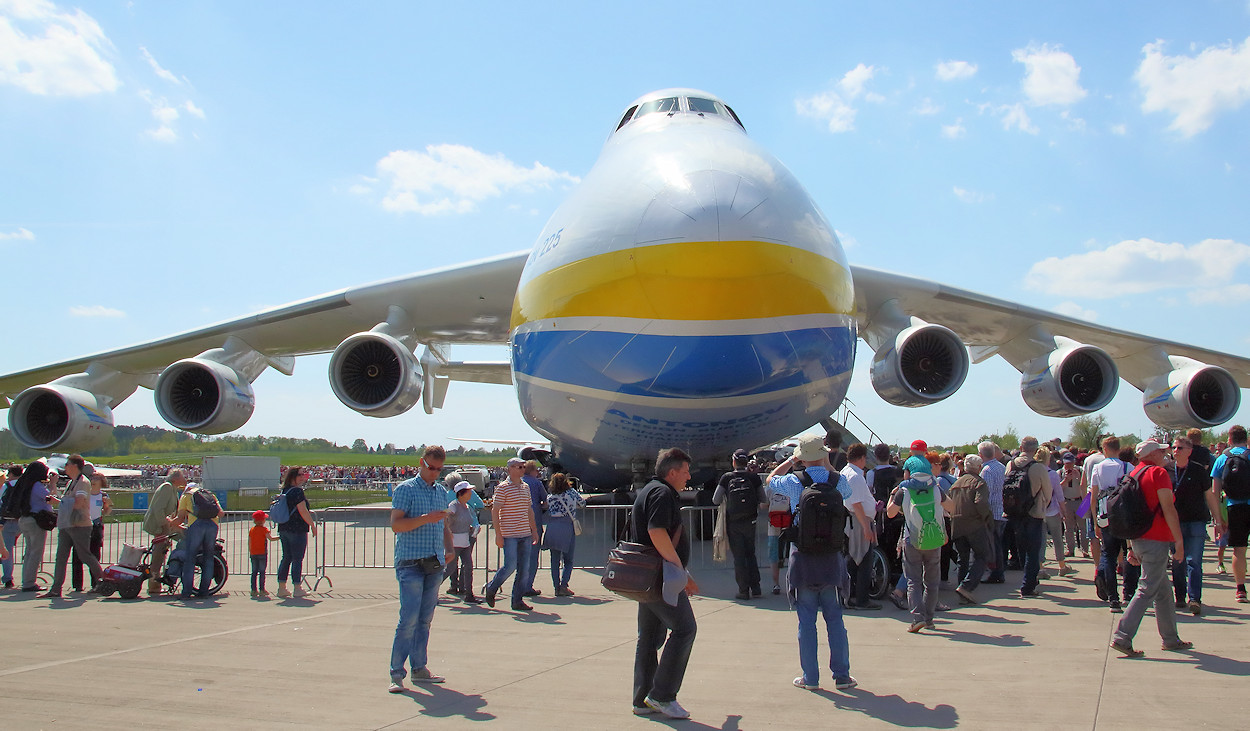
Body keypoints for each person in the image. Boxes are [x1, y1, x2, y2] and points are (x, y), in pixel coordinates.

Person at [632, 448, 699, 720]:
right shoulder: (662, 494)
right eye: (685, 471)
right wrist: (679, 570)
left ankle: (642, 699)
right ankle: (662, 695)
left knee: (648, 638)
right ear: (671, 472)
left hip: (646, 578)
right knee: (685, 629)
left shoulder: (649, 490)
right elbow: (656, 531)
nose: (688, 476)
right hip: (660, 578)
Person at [1109, 440, 1191, 657]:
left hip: (1139, 538)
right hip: (1156, 539)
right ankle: (1122, 636)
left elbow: (1127, 512)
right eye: (1161, 451)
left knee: (1163, 591)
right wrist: (1179, 542)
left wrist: (1131, 546)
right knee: (1147, 589)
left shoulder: (1134, 474)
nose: (1166, 453)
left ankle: (1171, 639)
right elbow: (1169, 508)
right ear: (1152, 454)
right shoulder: (1158, 473)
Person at [388, 446, 453, 692]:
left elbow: (443, 523)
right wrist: (425, 518)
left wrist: (449, 548)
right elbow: (396, 525)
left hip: (434, 562)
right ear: (421, 463)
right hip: (411, 562)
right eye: (430, 468)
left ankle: (419, 668)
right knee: (409, 620)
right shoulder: (406, 489)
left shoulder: (440, 491)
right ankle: (396, 673)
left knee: (425, 620)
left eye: (438, 469)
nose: (434, 473)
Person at [886, 455, 955, 632]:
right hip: (934, 540)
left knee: (913, 581)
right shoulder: (936, 488)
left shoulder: (904, 490)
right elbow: (952, 507)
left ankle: (918, 618)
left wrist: (893, 495)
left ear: (909, 472)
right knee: (931, 583)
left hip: (912, 540)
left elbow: (890, 513)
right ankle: (930, 619)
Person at [1170, 435, 1220, 615]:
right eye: (1174, 447)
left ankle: (1195, 598)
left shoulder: (1198, 471)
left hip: (1197, 521)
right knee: (1177, 561)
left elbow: (1210, 497)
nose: (1175, 451)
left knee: (1195, 561)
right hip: (1175, 523)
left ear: (1189, 451)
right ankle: (1180, 596)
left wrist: (1218, 521)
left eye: (1180, 448)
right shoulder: (1167, 471)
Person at [42, 455, 103, 598]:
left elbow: (80, 502)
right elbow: (70, 501)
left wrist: (61, 503)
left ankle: (102, 581)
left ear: (75, 465)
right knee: (61, 557)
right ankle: (56, 589)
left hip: (79, 524)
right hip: (66, 524)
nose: (65, 467)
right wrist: (58, 500)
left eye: (68, 464)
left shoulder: (83, 482)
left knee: (85, 555)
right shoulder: (71, 482)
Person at [483, 457, 539, 611]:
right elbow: (496, 511)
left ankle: (517, 600)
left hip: (525, 533)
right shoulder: (503, 488)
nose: (522, 469)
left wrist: (534, 530)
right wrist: (498, 534)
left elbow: (529, 510)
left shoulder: (525, 487)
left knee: (524, 568)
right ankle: (492, 587)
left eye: (523, 467)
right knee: (510, 565)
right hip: (509, 534)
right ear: (510, 469)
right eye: (519, 467)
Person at [1091, 435, 1138, 612]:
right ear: (1119, 449)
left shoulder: (1098, 468)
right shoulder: (1129, 467)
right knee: (1129, 554)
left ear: (1104, 449)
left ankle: (1113, 598)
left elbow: (1093, 496)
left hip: (1106, 515)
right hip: (1125, 516)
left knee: (1109, 555)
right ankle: (1129, 593)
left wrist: (1095, 521)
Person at [712, 448, 766, 599]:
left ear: (734, 462)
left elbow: (715, 499)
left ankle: (743, 590)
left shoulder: (727, 477)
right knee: (751, 554)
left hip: (733, 522)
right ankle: (756, 588)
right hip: (751, 521)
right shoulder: (754, 478)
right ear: (747, 462)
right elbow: (763, 499)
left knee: (739, 557)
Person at [1004, 437, 1050, 598]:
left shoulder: (1011, 464)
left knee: (1022, 548)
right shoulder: (1038, 467)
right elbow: (1048, 492)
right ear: (1036, 449)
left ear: (1021, 447)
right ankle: (1028, 585)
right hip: (1034, 512)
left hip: (1014, 512)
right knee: (1033, 550)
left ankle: (1028, 578)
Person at [1211, 424, 1249, 603]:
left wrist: (1218, 518)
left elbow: (1215, 492)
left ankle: (1240, 589)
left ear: (1230, 439)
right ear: (1246, 438)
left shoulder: (1222, 458)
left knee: (1238, 550)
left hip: (1234, 507)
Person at [840, 443, 880, 610]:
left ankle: (851, 594)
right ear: (862, 458)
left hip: (854, 519)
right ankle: (861, 599)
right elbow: (856, 504)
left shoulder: (845, 472)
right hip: (858, 520)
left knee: (855, 558)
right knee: (862, 559)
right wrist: (866, 527)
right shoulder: (855, 476)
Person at [948, 454, 992, 604]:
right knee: (982, 555)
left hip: (956, 525)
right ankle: (966, 587)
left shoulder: (955, 484)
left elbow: (947, 503)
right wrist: (986, 517)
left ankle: (962, 592)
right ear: (979, 468)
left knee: (963, 559)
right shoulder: (979, 483)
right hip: (974, 524)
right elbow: (981, 503)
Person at [173, 481, 221, 599]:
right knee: (208, 558)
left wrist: (170, 523)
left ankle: (186, 593)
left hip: (196, 525)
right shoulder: (210, 495)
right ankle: (204, 592)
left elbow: (180, 518)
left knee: (190, 559)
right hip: (212, 525)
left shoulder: (186, 496)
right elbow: (221, 513)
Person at [275, 466, 318, 598]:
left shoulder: (285, 491)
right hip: (297, 529)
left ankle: (281, 587)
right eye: (300, 474)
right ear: (293, 476)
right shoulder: (297, 492)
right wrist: (312, 524)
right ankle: (297, 587)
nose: (302, 476)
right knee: (297, 558)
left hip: (284, 527)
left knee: (286, 557)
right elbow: (302, 510)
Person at [143, 469, 186, 596]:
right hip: (160, 527)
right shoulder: (167, 488)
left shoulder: (173, 489)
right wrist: (165, 524)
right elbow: (158, 509)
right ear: (175, 479)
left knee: (161, 553)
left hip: (164, 526)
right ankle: (154, 584)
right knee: (158, 554)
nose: (185, 479)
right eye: (183, 477)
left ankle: (157, 582)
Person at [543, 472, 585, 597]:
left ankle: (556, 586)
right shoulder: (571, 493)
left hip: (552, 527)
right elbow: (582, 503)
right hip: (567, 526)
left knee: (554, 560)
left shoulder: (550, 497)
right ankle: (564, 585)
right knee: (568, 560)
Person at [14, 461, 54, 592]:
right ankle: (29, 582)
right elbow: (50, 497)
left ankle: (26, 580)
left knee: (29, 551)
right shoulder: (36, 485)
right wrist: (53, 483)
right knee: (36, 552)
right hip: (35, 521)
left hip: (24, 519)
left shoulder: (25, 483)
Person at [72, 469, 112, 592]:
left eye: (96, 478)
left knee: (94, 555)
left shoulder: (103, 495)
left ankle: (95, 583)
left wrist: (108, 505)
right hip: (83, 525)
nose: (93, 480)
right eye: (92, 478)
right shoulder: (85, 492)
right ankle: (77, 584)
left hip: (96, 525)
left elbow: (107, 512)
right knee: (78, 555)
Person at [1036, 447, 1073, 578]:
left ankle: (1040, 568)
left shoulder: (1033, 472)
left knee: (1040, 540)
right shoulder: (1052, 474)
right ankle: (1062, 565)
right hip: (1053, 510)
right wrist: (1064, 511)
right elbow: (1059, 495)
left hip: (1039, 511)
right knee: (1057, 539)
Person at [443, 481, 482, 604]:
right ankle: (430, 589)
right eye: (469, 491)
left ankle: (469, 595)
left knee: (468, 567)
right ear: (461, 493)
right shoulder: (454, 505)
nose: (471, 493)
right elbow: (448, 516)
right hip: (455, 543)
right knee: (449, 569)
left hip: (465, 542)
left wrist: (473, 528)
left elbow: (467, 521)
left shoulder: (467, 507)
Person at [978, 441, 1008, 584]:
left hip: (992, 512)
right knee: (997, 543)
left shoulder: (986, 470)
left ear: (981, 455)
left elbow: (986, 495)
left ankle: (995, 572)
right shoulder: (1001, 467)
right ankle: (998, 571)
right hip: (1000, 509)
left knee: (992, 544)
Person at [518, 460, 548, 598]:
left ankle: (519, 585)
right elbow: (545, 501)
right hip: (534, 522)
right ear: (533, 471)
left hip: (518, 523)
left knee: (520, 556)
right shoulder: (537, 483)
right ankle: (528, 585)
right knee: (533, 556)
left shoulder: (517, 482)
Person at [1059, 452, 1088, 558]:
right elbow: (1057, 489)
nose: (1069, 466)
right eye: (1067, 464)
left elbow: (1086, 486)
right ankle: (1070, 550)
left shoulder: (1080, 470)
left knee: (1083, 527)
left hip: (1081, 501)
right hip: (1067, 502)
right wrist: (1066, 480)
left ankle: (1085, 550)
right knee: (1069, 528)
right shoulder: (1060, 472)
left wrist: (1079, 477)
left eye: (1071, 463)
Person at [1, 464, 23, 588]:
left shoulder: (6, 486)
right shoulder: (25, 485)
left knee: (7, 551)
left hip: (8, 521)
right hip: (23, 520)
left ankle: (8, 578)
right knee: (30, 550)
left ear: (10, 474)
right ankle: (29, 577)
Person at [249, 509, 279, 597]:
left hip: (253, 553)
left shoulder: (252, 530)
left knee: (254, 572)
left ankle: (253, 590)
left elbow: (249, 541)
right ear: (262, 520)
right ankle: (262, 589)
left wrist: (250, 551)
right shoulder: (264, 530)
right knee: (262, 572)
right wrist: (279, 537)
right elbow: (271, 538)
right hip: (262, 553)